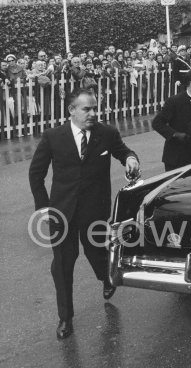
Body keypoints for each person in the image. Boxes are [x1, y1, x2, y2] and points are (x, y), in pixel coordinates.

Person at [28, 88, 140, 339]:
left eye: (94, 108)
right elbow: (36, 174)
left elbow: (123, 151)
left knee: (96, 251)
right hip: (62, 212)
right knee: (63, 265)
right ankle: (65, 318)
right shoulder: (52, 137)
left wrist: (131, 159)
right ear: (71, 110)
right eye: (86, 109)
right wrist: (44, 207)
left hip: (94, 210)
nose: (92, 113)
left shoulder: (106, 133)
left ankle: (106, 278)